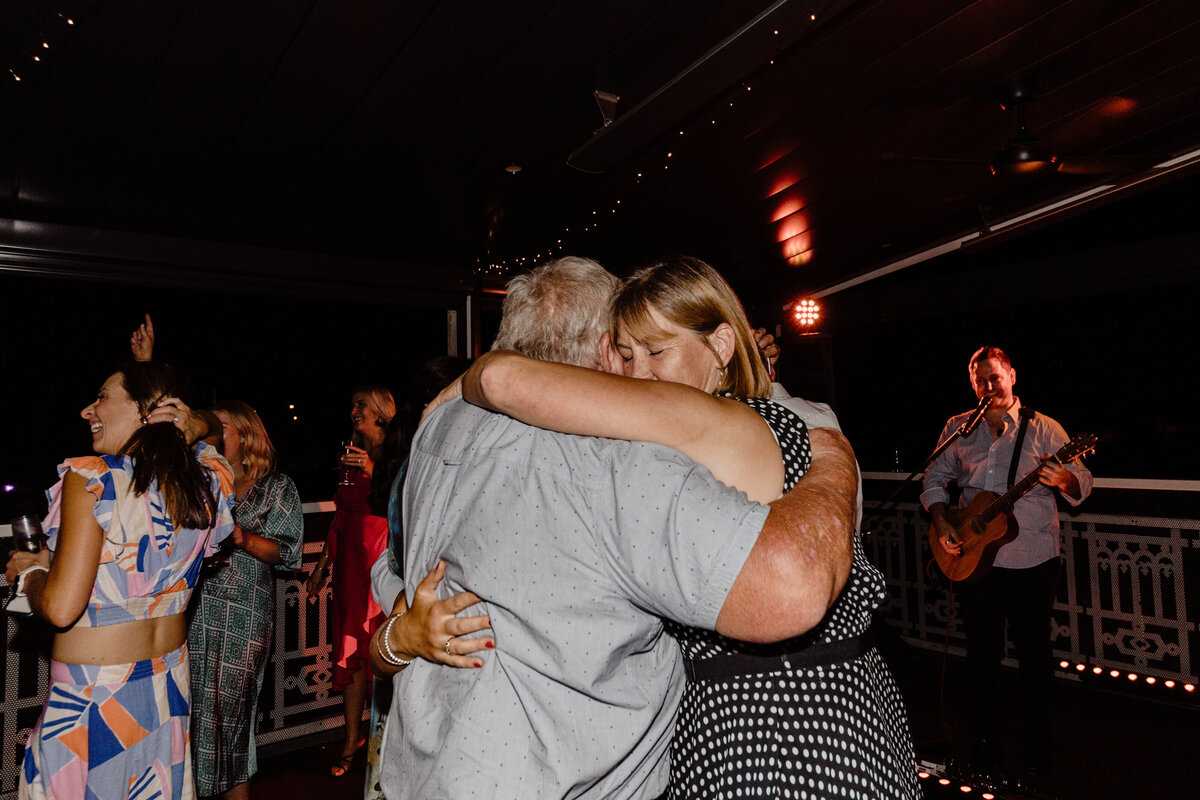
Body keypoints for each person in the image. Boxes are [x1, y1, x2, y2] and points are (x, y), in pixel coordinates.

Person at [418, 255, 917, 799]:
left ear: (721, 347)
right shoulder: (779, 417)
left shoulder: (726, 424)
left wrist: (466, 385)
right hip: (797, 709)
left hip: (788, 727)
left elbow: (502, 376)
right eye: (627, 355)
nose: (638, 375)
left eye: (657, 351)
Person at [5, 361, 235, 800]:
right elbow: (214, 433)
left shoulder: (93, 478)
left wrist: (31, 572)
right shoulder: (204, 479)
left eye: (102, 397)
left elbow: (60, 606)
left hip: (94, 697)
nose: (87, 411)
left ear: (146, 410)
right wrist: (185, 419)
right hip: (165, 689)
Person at [922, 346, 1092, 775]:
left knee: (1034, 657)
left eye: (994, 377)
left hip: (1032, 558)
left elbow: (1083, 482)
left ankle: (1038, 757)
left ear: (1012, 376)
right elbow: (934, 478)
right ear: (972, 384)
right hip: (975, 561)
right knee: (981, 657)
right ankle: (985, 750)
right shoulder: (958, 427)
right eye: (980, 380)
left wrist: (1066, 477)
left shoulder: (1044, 427)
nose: (988, 387)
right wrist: (943, 521)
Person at [188, 401, 304, 799]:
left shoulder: (277, 487)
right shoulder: (203, 485)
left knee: (233, 717)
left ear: (247, 436)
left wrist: (242, 537)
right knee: (192, 715)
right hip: (195, 612)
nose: (213, 436)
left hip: (244, 617)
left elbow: (289, 552)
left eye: (221, 428)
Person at [305, 385, 395, 777]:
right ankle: (350, 738)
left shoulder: (396, 447)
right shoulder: (349, 451)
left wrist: (372, 469)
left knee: (380, 644)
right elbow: (341, 513)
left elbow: (405, 498)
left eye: (360, 404)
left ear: (379, 409)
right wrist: (323, 563)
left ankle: (388, 738)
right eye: (352, 405)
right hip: (349, 562)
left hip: (381, 556)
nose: (353, 410)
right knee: (350, 648)